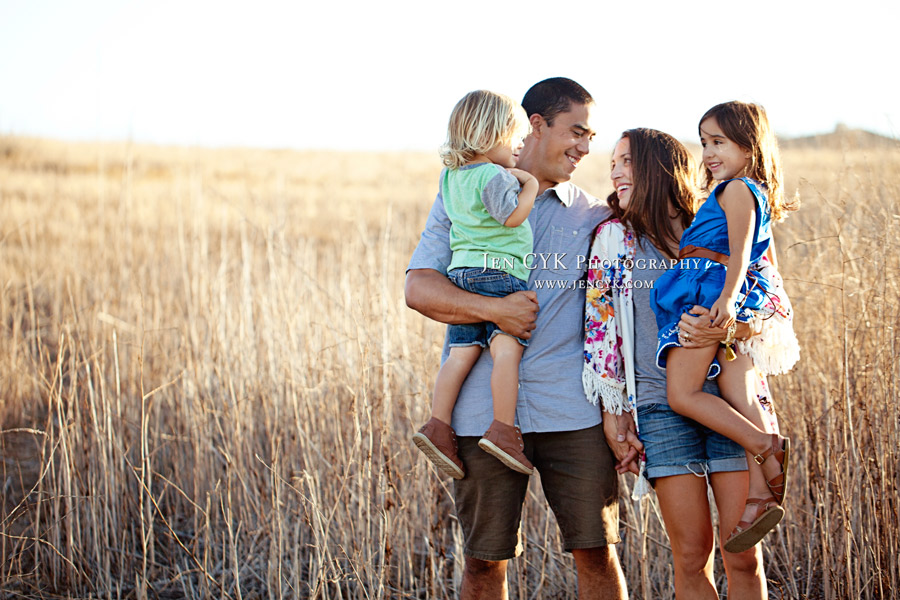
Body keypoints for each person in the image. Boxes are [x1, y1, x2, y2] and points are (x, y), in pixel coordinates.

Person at [406, 77, 627, 599]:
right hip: (480, 415)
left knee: (597, 552)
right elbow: (419, 288)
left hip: (571, 413)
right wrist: (495, 310)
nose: (585, 146)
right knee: (484, 564)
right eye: (576, 131)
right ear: (535, 125)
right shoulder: (461, 192)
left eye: (591, 136)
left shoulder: (594, 216)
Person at [583, 128, 799, 598]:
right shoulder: (614, 239)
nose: (616, 172)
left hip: (729, 405)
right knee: (690, 555)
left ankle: (764, 446)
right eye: (612, 164)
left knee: (741, 555)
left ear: (660, 167)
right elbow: (601, 332)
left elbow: (773, 301)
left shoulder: (717, 217)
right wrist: (614, 415)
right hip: (661, 410)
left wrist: (732, 328)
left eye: (627, 161)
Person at [649, 102, 800, 552]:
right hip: (713, 290)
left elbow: (739, 252)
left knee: (683, 394)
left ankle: (766, 446)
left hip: (708, 295)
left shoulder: (737, 189)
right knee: (739, 396)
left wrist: (727, 303)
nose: (709, 153)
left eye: (719, 142)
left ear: (749, 145)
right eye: (704, 143)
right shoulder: (739, 189)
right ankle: (758, 495)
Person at [412, 90, 539, 479]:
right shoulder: (493, 175)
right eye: (514, 139)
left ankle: (437, 423)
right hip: (499, 273)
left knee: (461, 353)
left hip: (463, 273)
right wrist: (529, 185)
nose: (519, 147)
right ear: (492, 134)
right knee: (506, 352)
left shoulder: (450, 178)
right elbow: (511, 218)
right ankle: (503, 430)